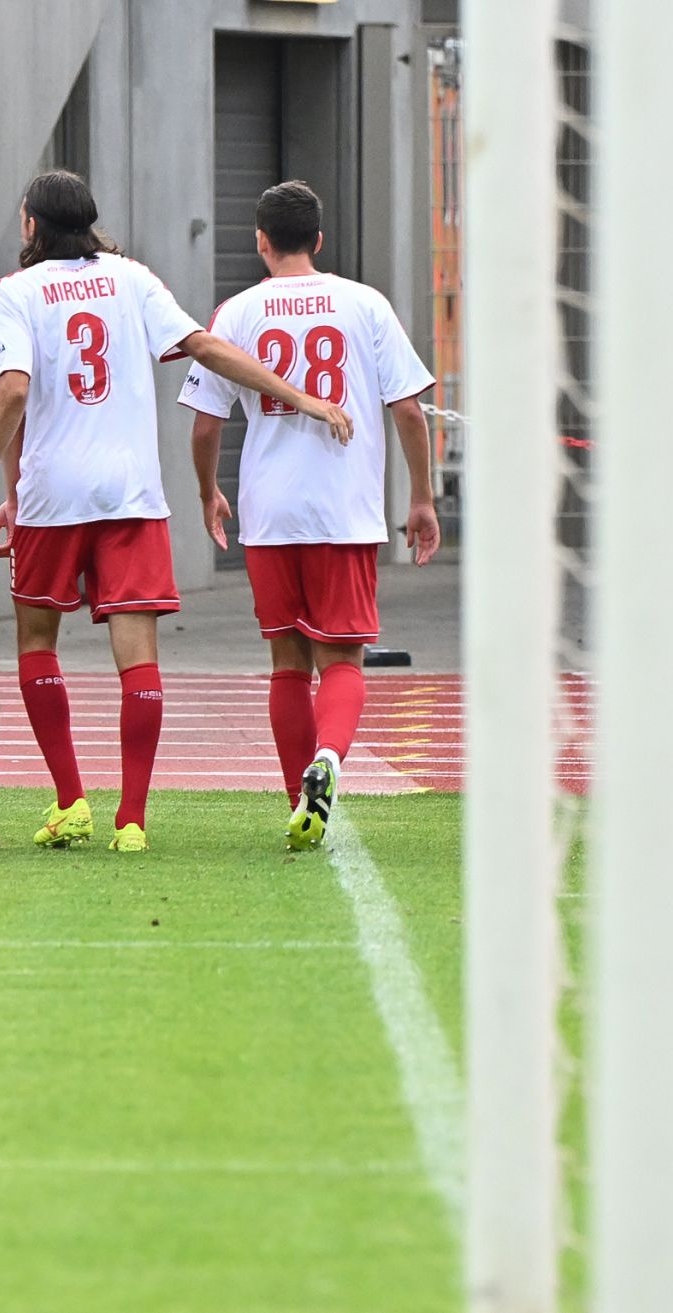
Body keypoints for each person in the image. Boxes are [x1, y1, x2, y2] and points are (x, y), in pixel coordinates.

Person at [0, 169, 354, 853]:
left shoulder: (15, 291)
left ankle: (71, 801)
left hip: (54, 492)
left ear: (31, 225)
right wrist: (300, 397)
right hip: (131, 493)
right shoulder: (132, 278)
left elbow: (14, 391)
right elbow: (205, 346)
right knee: (137, 658)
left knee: (37, 643)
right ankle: (132, 820)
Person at [179, 179, 438, 850]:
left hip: (271, 512)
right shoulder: (364, 304)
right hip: (343, 508)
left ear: (260, 240)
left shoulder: (237, 312)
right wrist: (421, 497)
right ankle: (328, 759)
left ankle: (301, 799)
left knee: (287, 663)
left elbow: (205, 426)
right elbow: (409, 410)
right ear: (319, 239)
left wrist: (207, 491)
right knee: (343, 660)